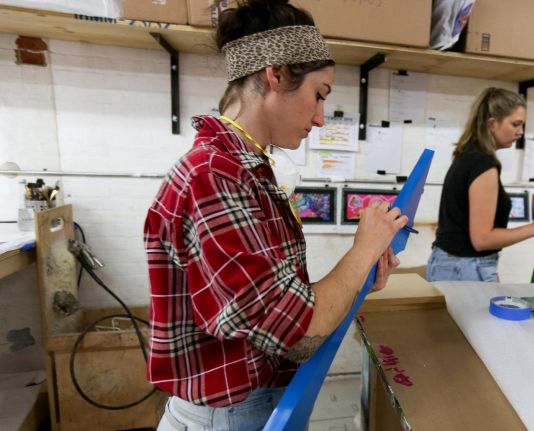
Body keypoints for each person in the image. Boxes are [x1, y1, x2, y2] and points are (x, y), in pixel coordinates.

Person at [143, 1, 408, 429]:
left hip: (257, 403)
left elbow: (285, 308)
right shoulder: (214, 177)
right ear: (277, 74)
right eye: (318, 95)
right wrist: (362, 250)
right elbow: (300, 335)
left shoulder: (250, 171)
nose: (321, 118)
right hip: (229, 416)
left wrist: (360, 275)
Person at [427, 87, 534, 283]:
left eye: (522, 125)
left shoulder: (466, 157)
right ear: (492, 123)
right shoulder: (483, 164)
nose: (520, 132)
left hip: (452, 264)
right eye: (515, 124)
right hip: (465, 267)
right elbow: (482, 239)